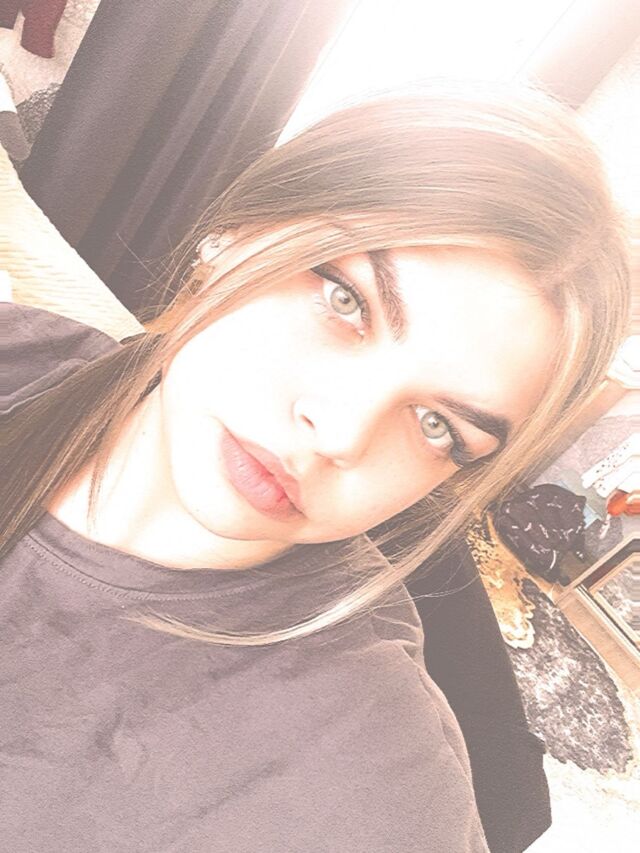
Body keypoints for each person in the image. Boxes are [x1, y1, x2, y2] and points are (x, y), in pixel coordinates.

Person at [0, 80, 629, 852]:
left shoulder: (369, 782)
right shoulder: (22, 352)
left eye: (437, 425)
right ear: (235, 231)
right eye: (345, 301)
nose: (339, 432)